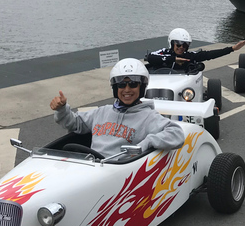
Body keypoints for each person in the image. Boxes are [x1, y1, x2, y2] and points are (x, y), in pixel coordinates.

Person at [49, 58, 185, 158]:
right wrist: (62, 109)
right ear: (115, 88)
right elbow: (74, 123)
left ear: (141, 87)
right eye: (121, 85)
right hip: (89, 168)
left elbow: (176, 134)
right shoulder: (102, 112)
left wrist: (147, 142)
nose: (127, 90)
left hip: (120, 174)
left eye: (133, 84)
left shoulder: (148, 117)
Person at [145, 28, 245, 70]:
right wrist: (173, 59)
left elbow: (209, 55)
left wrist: (232, 48)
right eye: (179, 44)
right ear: (172, 43)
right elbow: (150, 57)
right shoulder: (163, 52)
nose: (181, 48)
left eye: (185, 45)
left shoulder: (189, 56)